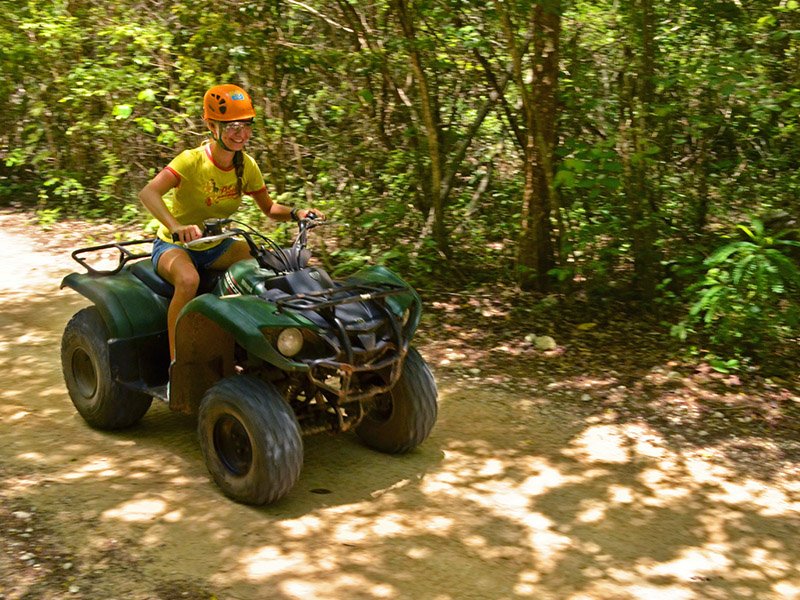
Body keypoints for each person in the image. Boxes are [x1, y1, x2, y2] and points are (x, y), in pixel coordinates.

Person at [139, 84, 323, 360]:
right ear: (212, 126)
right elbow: (148, 193)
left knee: (274, 264)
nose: (242, 135)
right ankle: (178, 360)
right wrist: (175, 227)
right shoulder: (191, 161)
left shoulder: (246, 165)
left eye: (247, 126)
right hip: (175, 247)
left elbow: (270, 208)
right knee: (189, 280)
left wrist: (297, 212)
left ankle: (276, 341)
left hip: (216, 245)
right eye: (233, 127)